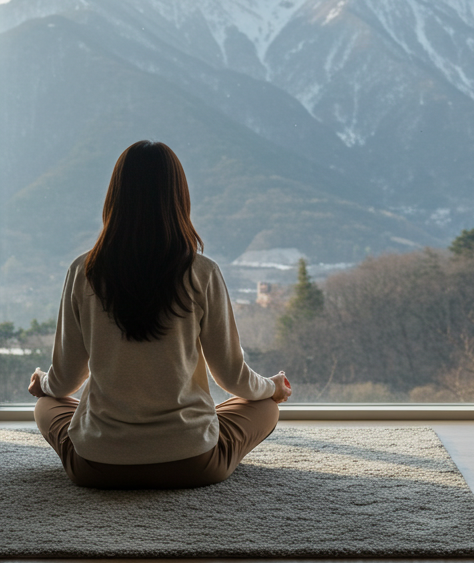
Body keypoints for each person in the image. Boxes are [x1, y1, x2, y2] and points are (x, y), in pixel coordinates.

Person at [29, 140, 292, 489]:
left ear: (115, 198)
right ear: (179, 199)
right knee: (265, 408)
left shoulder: (84, 271)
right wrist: (271, 388)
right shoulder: (202, 272)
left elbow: (64, 383)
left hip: (96, 465)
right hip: (192, 462)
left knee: (46, 406)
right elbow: (232, 378)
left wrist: (42, 382)